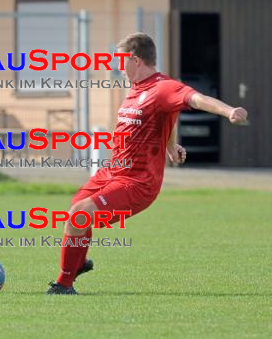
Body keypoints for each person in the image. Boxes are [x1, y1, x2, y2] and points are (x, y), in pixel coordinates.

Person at [47, 32, 248, 294]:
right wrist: (170, 145)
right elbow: (168, 114)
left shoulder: (163, 87)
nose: (118, 67)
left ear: (135, 59)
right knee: (75, 212)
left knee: (79, 215)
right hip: (112, 172)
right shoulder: (136, 88)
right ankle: (78, 261)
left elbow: (194, 98)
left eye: (121, 61)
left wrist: (229, 111)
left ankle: (64, 284)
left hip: (138, 182)